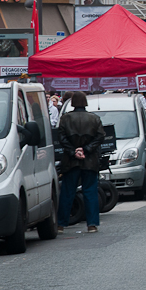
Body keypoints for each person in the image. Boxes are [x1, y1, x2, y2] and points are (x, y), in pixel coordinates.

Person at [56, 92, 106, 233]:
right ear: (85, 102)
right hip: (90, 160)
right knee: (90, 192)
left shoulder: (65, 119)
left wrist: (74, 152)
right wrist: (86, 149)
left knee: (67, 192)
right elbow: (100, 136)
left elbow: (61, 138)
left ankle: (61, 224)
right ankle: (92, 224)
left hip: (71, 161)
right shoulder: (94, 118)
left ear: (72, 103)